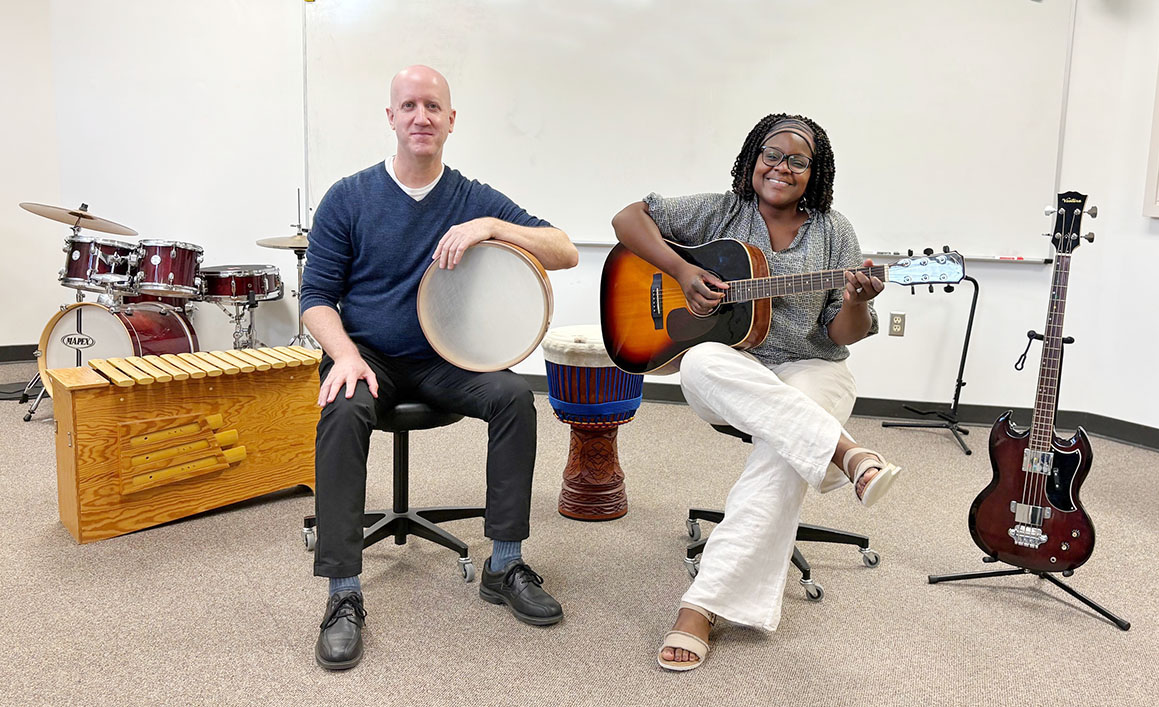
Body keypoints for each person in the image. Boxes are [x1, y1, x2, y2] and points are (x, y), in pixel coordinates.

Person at [300, 65, 579, 671]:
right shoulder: (347, 198)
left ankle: (503, 564)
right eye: (408, 106)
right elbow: (315, 298)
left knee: (512, 399)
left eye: (433, 106)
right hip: (367, 354)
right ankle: (343, 592)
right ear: (391, 117)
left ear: (451, 120)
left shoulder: (471, 196)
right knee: (342, 408)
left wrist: (491, 226)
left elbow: (565, 249)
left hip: (446, 359)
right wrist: (344, 354)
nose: (420, 116)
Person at [610, 113, 901, 672]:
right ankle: (844, 451)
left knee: (785, 451)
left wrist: (860, 299)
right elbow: (628, 218)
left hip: (811, 367)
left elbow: (843, 332)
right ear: (752, 158)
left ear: (814, 174)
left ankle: (700, 607)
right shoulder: (722, 210)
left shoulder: (835, 232)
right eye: (773, 154)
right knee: (697, 363)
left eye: (798, 160)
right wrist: (681, 271)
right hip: (733, 372)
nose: (782, 167)